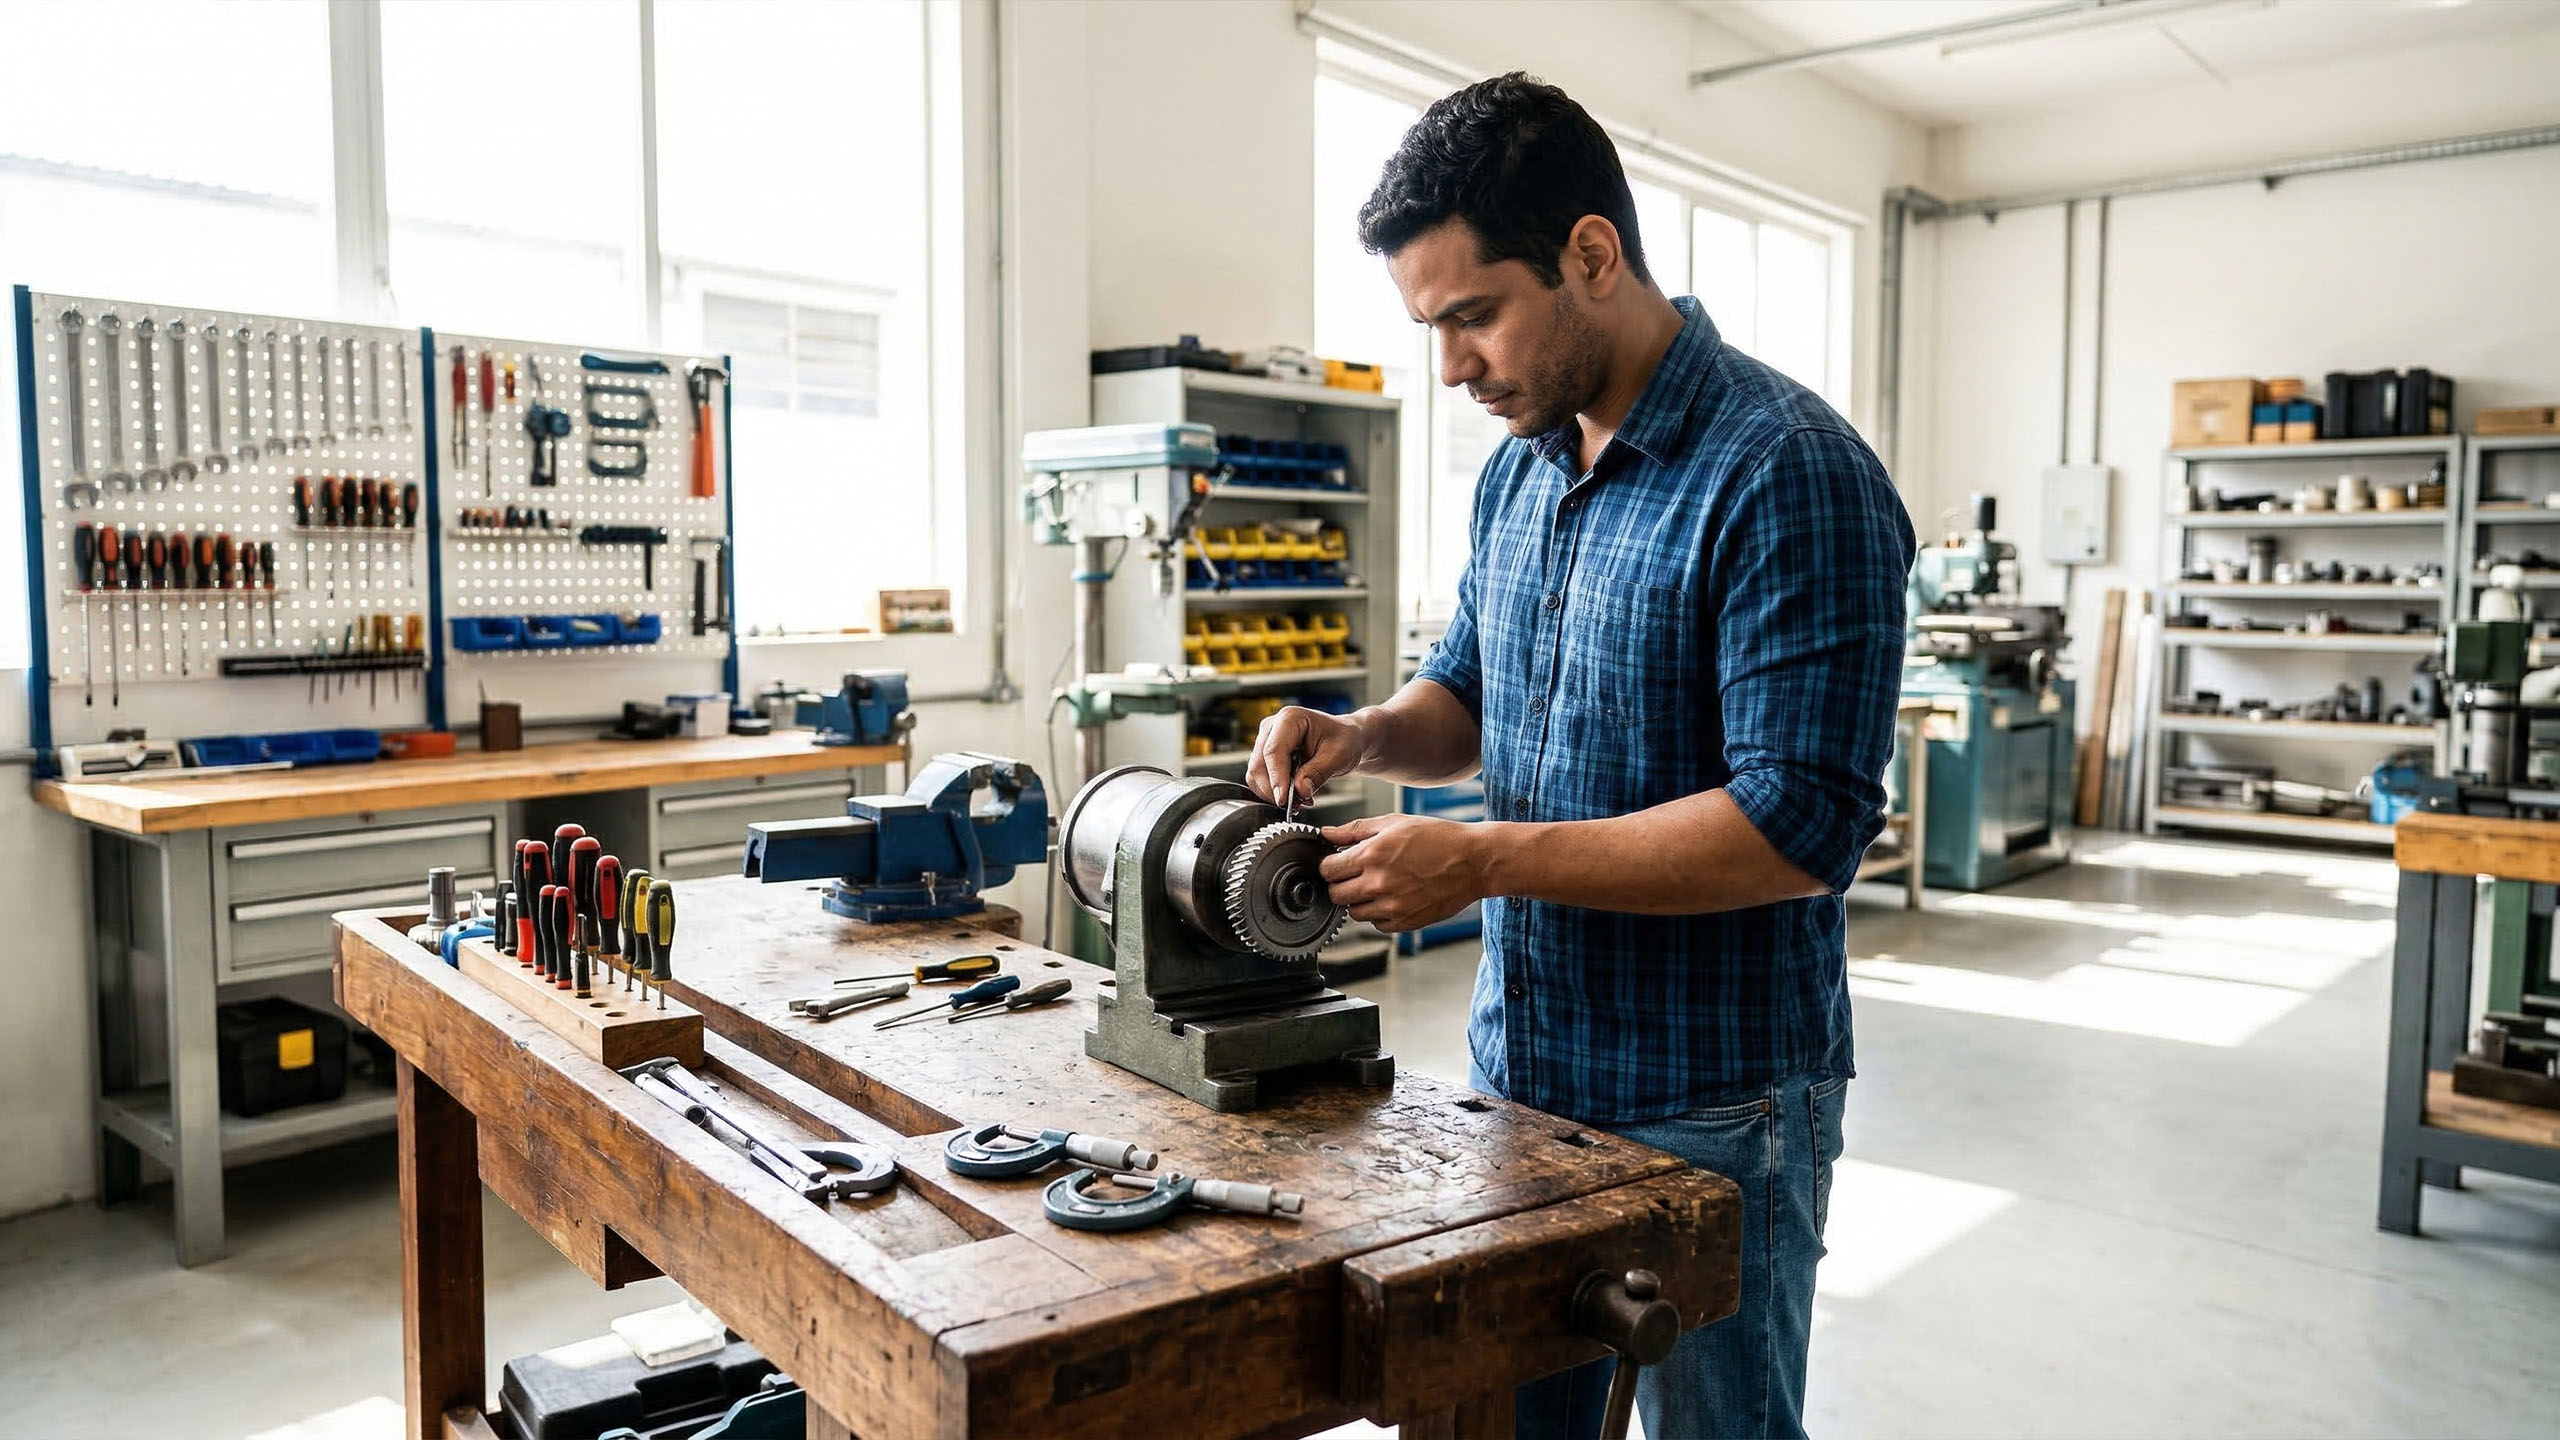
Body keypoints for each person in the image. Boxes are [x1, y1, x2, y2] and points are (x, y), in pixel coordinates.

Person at [1244, 73, 1915, 1440]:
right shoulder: (1522, 467)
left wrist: (1484, 859)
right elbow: (1471, 692)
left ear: (1592, 256)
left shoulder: (1788, 472)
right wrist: (1367, 733)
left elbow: (1798, 827)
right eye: (1431, 329)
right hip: (1524, 1076)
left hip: (1713, 1102)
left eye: (1474, 316)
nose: (1452, 368)